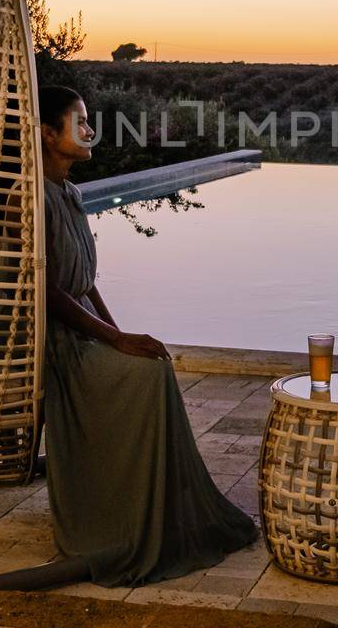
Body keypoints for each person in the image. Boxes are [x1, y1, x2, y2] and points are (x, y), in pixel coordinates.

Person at [37, 84, 257, 583]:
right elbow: (48, 292)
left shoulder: (68, 193)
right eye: (79, 122)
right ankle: (123, 515)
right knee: (147, 377)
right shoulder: (29, 200)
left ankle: (154, 504)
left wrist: (119, 334)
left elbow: (85, 284)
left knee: (151, 362)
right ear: (49, 134)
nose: (90, 130)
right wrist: (113, 342)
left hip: (82, 335)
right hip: (54, 347)